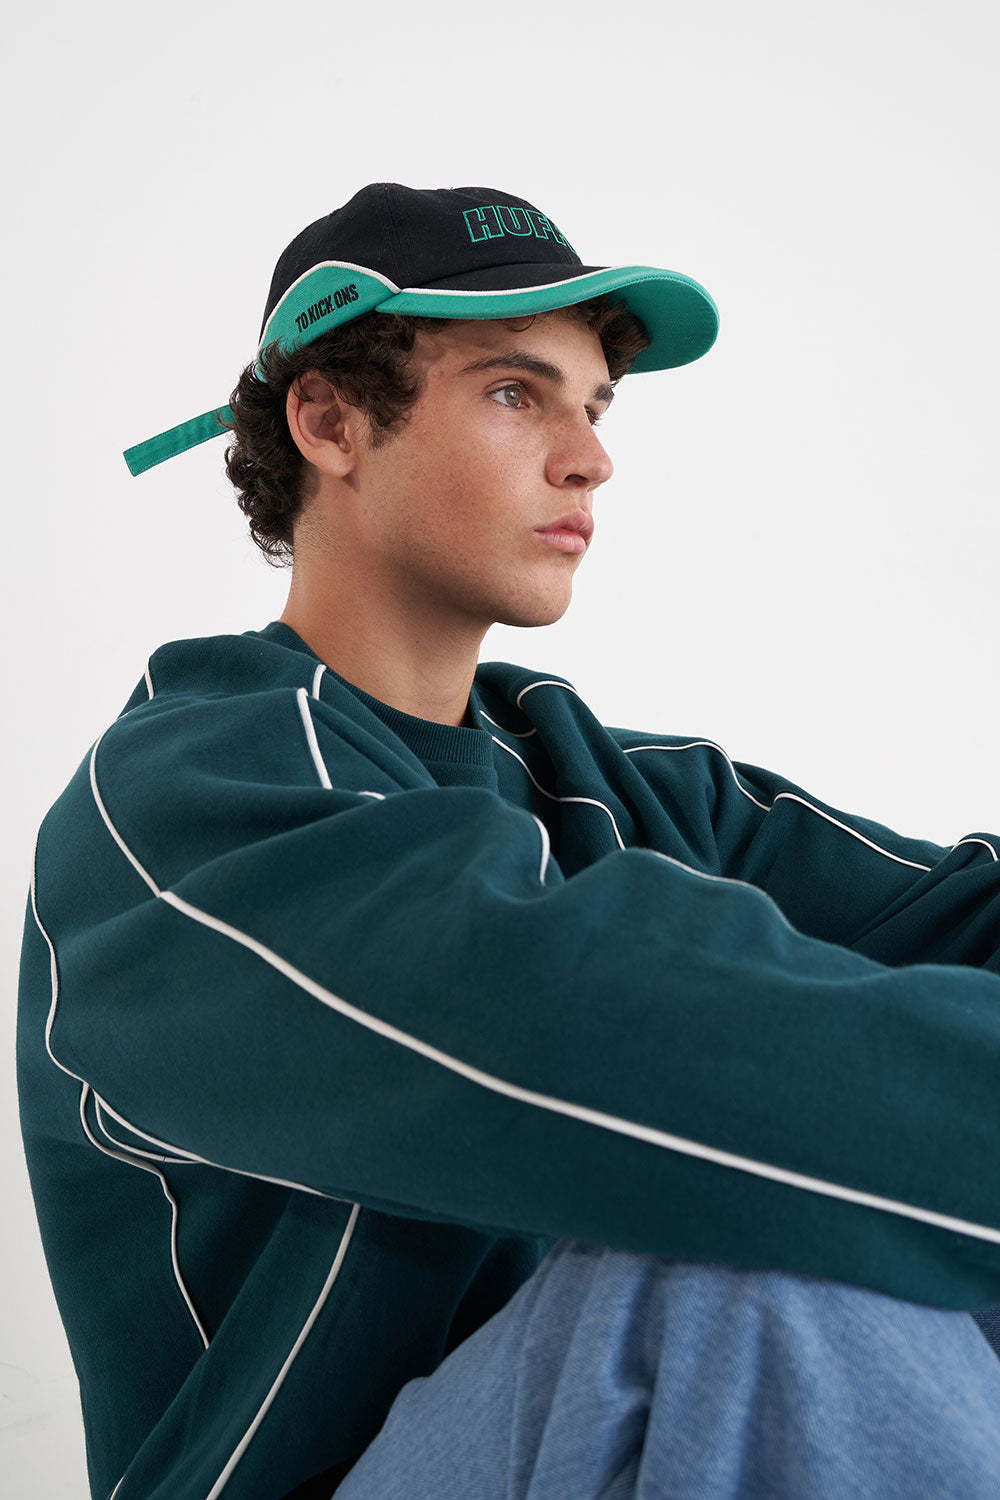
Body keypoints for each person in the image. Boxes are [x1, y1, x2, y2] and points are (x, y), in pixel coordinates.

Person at [17, 181, 1000, 1500]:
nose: (589, 458)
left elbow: (965, 913)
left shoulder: (612, 785)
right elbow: (581, 1021)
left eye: (595, 406)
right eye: (514, 393)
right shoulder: (182, 805)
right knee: (742, 1269)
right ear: (329, 421)